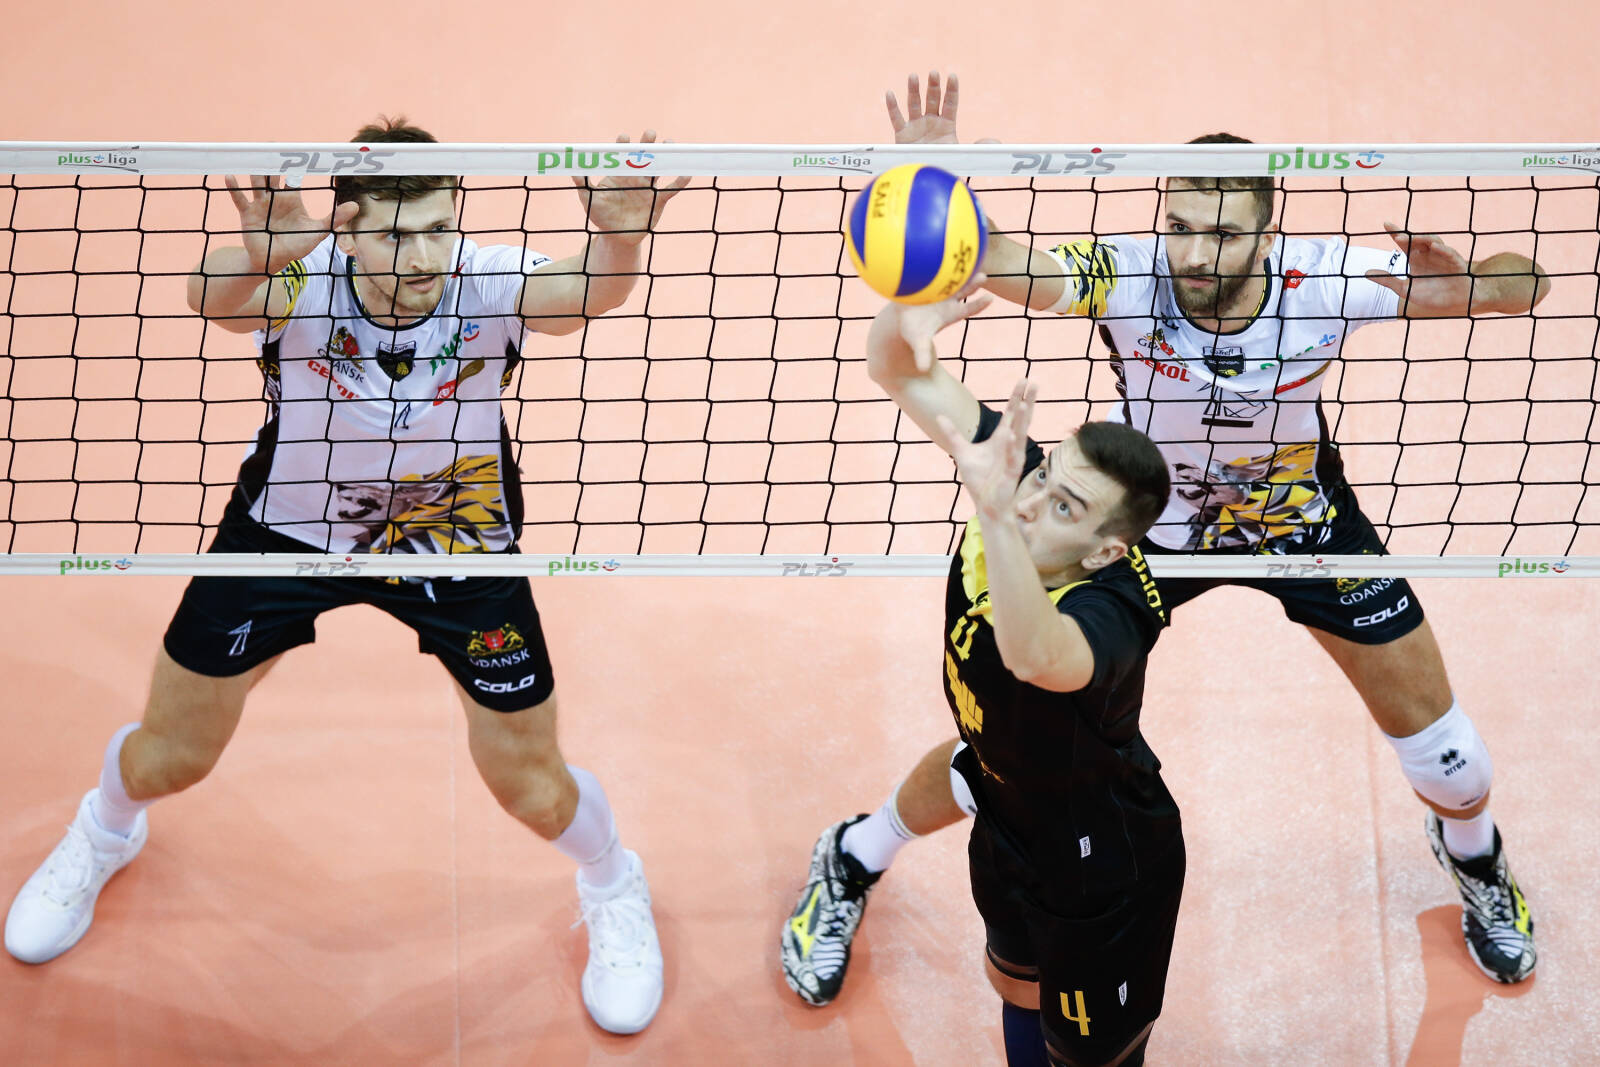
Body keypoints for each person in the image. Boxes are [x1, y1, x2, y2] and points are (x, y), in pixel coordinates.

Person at [781, 72, 1548, 1009]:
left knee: (1451, 757)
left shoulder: (1331, 278)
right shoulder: (1129, 273)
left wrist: (1473, 287)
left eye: (1221, 234)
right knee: (1014, 748)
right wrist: (935, 184)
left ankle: (1474, 853)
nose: (1192, 252)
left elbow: (1529, 282)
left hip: (1296, 520)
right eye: (1179, 224)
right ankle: (855, 852)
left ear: (1267, 233)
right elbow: (1008, 263)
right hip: (1143, 523)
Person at [4, 117, 687, 1036]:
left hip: (455, 540)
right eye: (397, 236)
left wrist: (620, 241)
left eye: (439, 228)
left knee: (530, 784)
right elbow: (210, 296)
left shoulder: (486, 279)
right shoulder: (305, 278)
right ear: (349, 230)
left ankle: (612, 882)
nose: (425, 256)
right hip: (289, 532)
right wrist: (263, 258)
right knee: (173, 754)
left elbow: (581, 294)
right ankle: (105, 829)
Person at [783, 276, 1180, 1065]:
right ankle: (854, 851)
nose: (1035, 502)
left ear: (1106, 549)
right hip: (1003, 807)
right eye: (1045, 476)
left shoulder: (1114, 613)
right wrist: (909, 305)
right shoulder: (1016, 473)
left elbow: (1035, 653)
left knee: (1090, 1056)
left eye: (1065, 507)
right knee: (1018, 986)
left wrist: (997, 513)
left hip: (1101, 872)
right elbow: (892, 367)